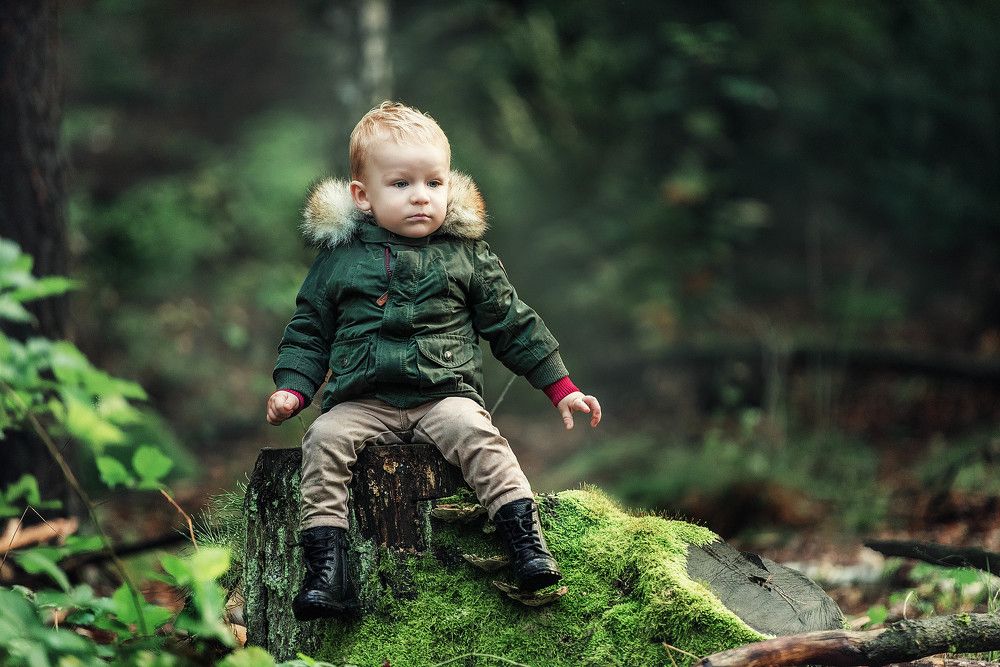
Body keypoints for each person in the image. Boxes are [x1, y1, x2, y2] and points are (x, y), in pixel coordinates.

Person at [266, 101, 602, 621]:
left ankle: (527, 546)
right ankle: (325, 572)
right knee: (324, 441)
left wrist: (560, 386)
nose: (421, 197)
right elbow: (310, 330)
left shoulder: (465, 255)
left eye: (434, 183)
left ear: (450, 185)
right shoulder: (339, 260)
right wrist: (294, 387)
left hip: (442, 398)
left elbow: (512, 324)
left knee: (479, 438)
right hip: (363, 401)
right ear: (363, 196)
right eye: (401, 184)